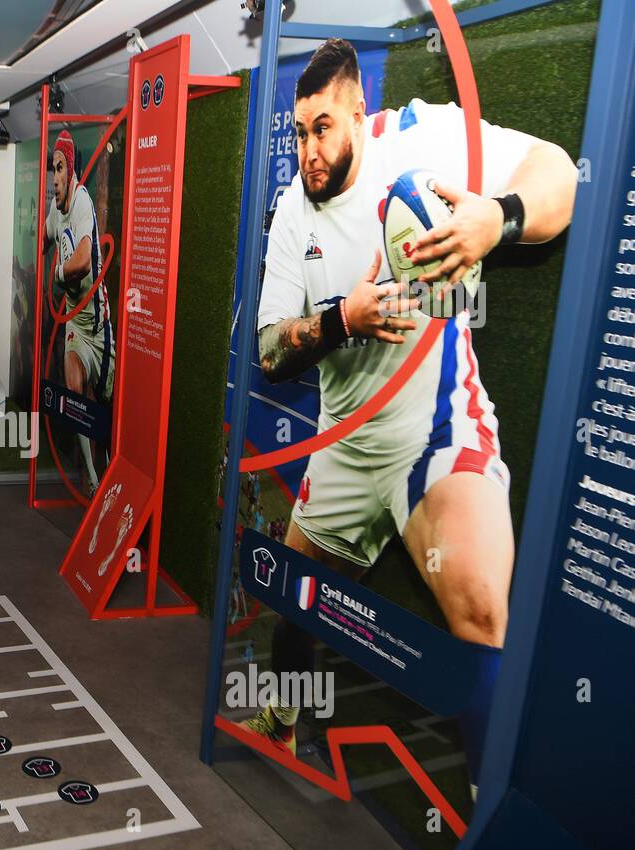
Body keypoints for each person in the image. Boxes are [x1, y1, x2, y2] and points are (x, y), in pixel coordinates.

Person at [242, 38, 576, 794]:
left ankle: (493, 809)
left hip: (435, 429)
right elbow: (268, 349)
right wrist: (340, 321)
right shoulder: (293, 212)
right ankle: (286, 719)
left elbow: (557, 171)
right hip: (347, 441)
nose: (309, 150)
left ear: (361, 111)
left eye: (323, 127)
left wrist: (500, 216)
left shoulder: (427, 140)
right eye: (298, 132)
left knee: (482, 613)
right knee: (295, 600)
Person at [45, 129, 114, 491]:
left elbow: (84, 262)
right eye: (51, 171)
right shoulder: (56, 213)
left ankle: (108, 468)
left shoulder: (82, 202)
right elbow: (43, 234)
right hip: (74, 321)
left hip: (97, 321)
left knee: (105, 404)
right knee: (74, 392)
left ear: (70, 171)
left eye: (59, 169)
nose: (54, 178)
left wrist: (57, 271)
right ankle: (92, 479)